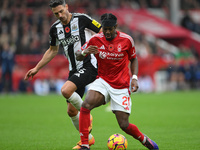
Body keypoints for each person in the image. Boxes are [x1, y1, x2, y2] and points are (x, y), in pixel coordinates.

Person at [24, 0, 102, 149]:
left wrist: (92, 48)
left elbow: (102, 32)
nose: (59, 15)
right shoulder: (55, 29)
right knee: (71, 110)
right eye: (56, 14)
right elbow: (52, 50)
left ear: (67, 7)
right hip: (74, 69)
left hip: (89, 65)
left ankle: (86, 114)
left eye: (61, 11)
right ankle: (88, 139)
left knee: (65, 90)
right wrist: (37, 68)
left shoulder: (82, 19)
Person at [76, 13, 159, 150]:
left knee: (124, 125)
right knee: (86, 105)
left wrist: (134, 78)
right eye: (105, 29)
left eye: (110, 29)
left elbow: (134, 59)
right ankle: (85, 144)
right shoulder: (95, 39)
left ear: (116, 27)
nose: (107, 32)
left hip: (121, 86)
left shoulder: (127, 40)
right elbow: (79, 55)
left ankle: (144, 139)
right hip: (102, 81)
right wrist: (85, 53)